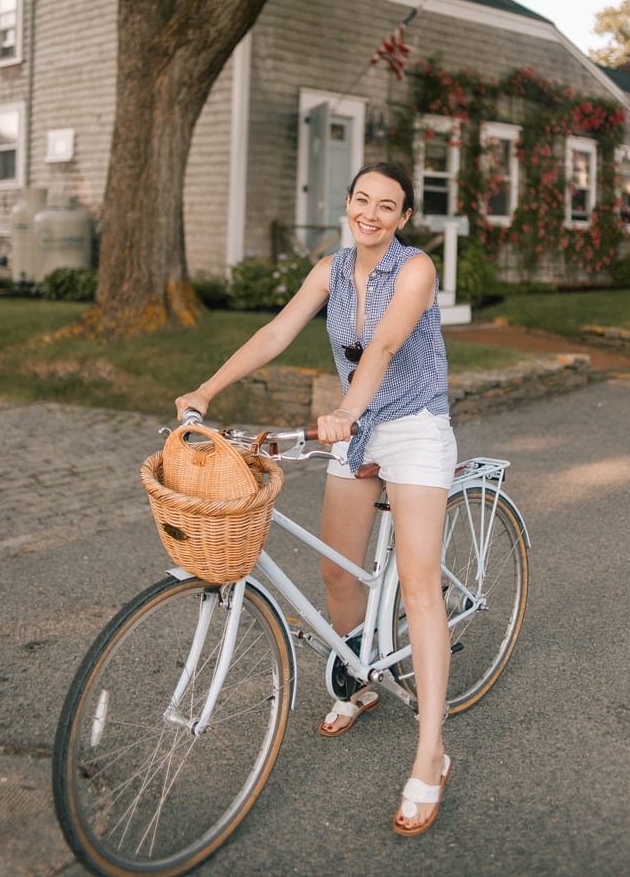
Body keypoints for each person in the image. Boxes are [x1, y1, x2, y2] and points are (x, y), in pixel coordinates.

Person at [175, 161, 457, 836]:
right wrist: (205, 391)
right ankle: (361, 679)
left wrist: (347, 410)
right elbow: (276, 332)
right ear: (349, 204)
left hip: (412, 425)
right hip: (354, 428)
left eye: (387, 206)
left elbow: (385, 344)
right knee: (336, 569)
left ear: (404, 218)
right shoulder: (330, 269)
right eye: (362, 200)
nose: (372, 214)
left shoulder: (415, 269)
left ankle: (431, 752)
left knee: (418, 590)